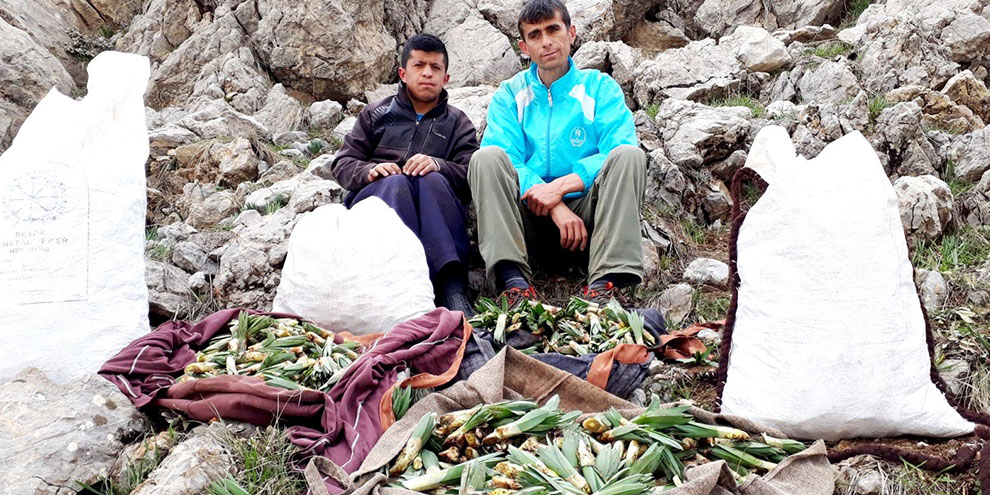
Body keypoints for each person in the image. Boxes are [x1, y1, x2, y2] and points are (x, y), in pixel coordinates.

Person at [468, 0, 646, 304]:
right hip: (526, 224)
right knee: (486, 158)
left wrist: (562, 187)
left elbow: (619, 147)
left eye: (553, 29)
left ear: (571, 33)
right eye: (535, 35)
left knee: (630, 156)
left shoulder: (599, 88)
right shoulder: (510, 94)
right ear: (524, 47)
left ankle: (606, 284)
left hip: (590, 224)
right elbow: (507, 157)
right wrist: (553, 204)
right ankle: (513, 283)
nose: (546, 42)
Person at [332, 33, 479, 316]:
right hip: (380, 201)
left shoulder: (457, 123)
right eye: (419, 65)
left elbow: (469, 173)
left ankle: (452, 289)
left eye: (435, 67)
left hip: (434, 209)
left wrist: (438, 165)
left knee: (431, 179)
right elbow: (343, 163)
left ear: (446, 78)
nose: (427, 73)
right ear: (403, 73)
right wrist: (370, 171)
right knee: (397, 182)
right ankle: (397, 286)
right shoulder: (376, 114)